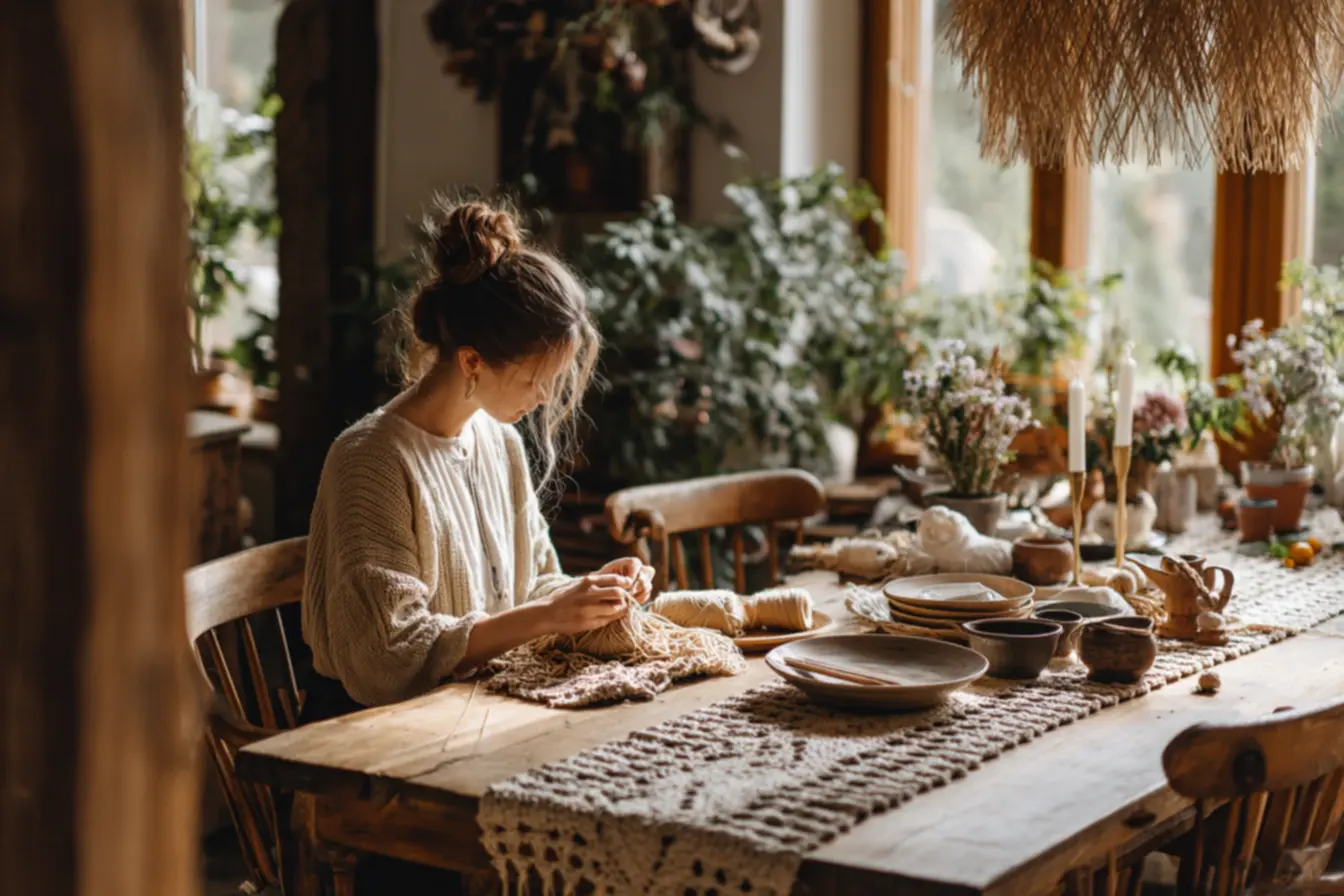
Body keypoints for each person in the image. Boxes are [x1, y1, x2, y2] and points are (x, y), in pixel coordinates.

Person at [300, 196, 652, 724]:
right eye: (537, 378)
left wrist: (592, 593)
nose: (543, 397)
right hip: (369, 736)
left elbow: (531, 587)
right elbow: (385, 656)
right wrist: (545, 616)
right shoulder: (371, 460)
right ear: (471, 360)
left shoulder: (497, 440)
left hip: (473, 708)